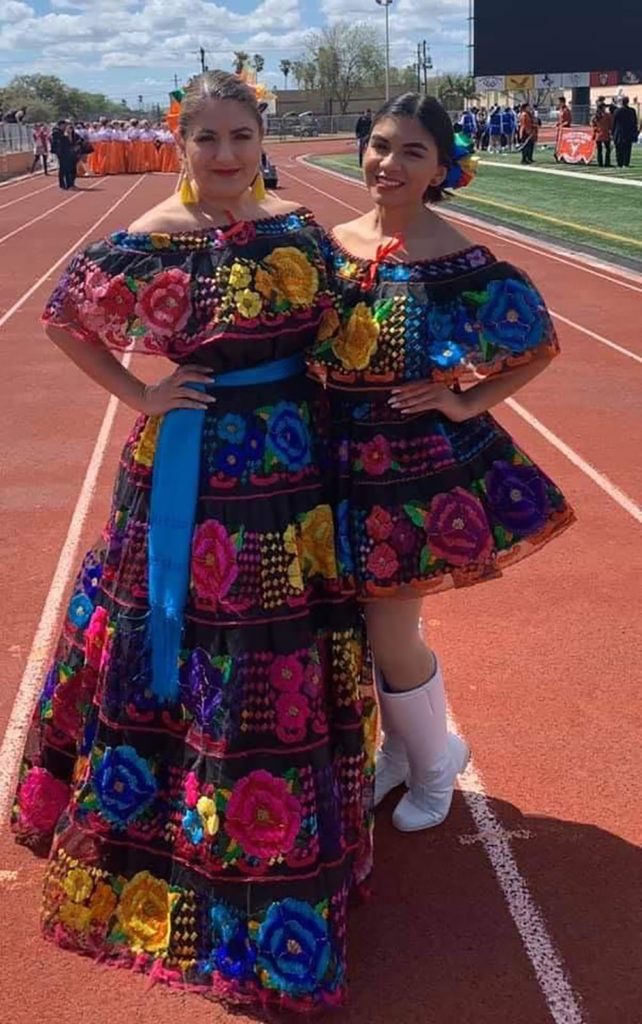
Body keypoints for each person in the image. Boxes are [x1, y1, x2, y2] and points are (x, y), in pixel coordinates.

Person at [11, 70, 374, 1011]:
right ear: (180, 143)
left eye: (239, 137)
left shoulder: (297, 225)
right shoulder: (159, 240)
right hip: (193, 471)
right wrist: (141, 395)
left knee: (276, 652)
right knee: (187, 636)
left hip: (294, 467)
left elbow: (347, 326)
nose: (222, 155)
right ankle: (184, 842)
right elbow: (65, 317)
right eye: (204, 137)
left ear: (261, 139)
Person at [311, 93, 574, 833]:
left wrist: (464, 402)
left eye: (412, 153)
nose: (389, 164)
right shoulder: (330, 242)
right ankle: (400, 751)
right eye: (381, 146)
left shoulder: (459, 258)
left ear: (441, 170)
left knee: (392, 629)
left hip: (409, 468)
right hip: (329, 455)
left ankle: (435, 765)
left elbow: (538, 343)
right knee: (357, 625)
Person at [612, 96, 639, 168]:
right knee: (627, 149)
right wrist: (635, 132)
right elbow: (635, 123)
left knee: (619, 149)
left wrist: (613, 132)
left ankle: (619, 163)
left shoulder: (617, 111)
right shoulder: (632, 111)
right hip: (628, 132)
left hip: (619, 132)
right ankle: (626, 163)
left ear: (622, 102)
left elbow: (614, 123)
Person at [592, 100, 613, 168]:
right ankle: (607, 162)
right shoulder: (607, 115)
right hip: (605, 134)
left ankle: (600, 163)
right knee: (608, 149)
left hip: (599, 134)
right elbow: (610, 124)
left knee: (599, 150)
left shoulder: (595, 116)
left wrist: (596, 129)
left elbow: (593, 124)